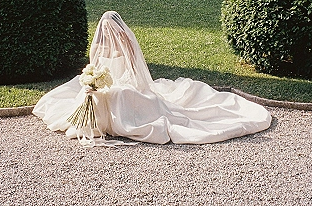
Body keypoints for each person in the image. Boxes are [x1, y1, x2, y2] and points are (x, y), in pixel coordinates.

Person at [33, 11, 272, 145]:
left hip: (127, 84)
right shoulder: (98, 47)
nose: (107, 34)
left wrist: (117, 86)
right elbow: (93, 67)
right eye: (105, 31)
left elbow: (134, 75)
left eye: (111, 30)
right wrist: (91, 82)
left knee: (124, 94)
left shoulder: (127, 47)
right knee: (86, 90)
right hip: (103, 87)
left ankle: (119, 120)